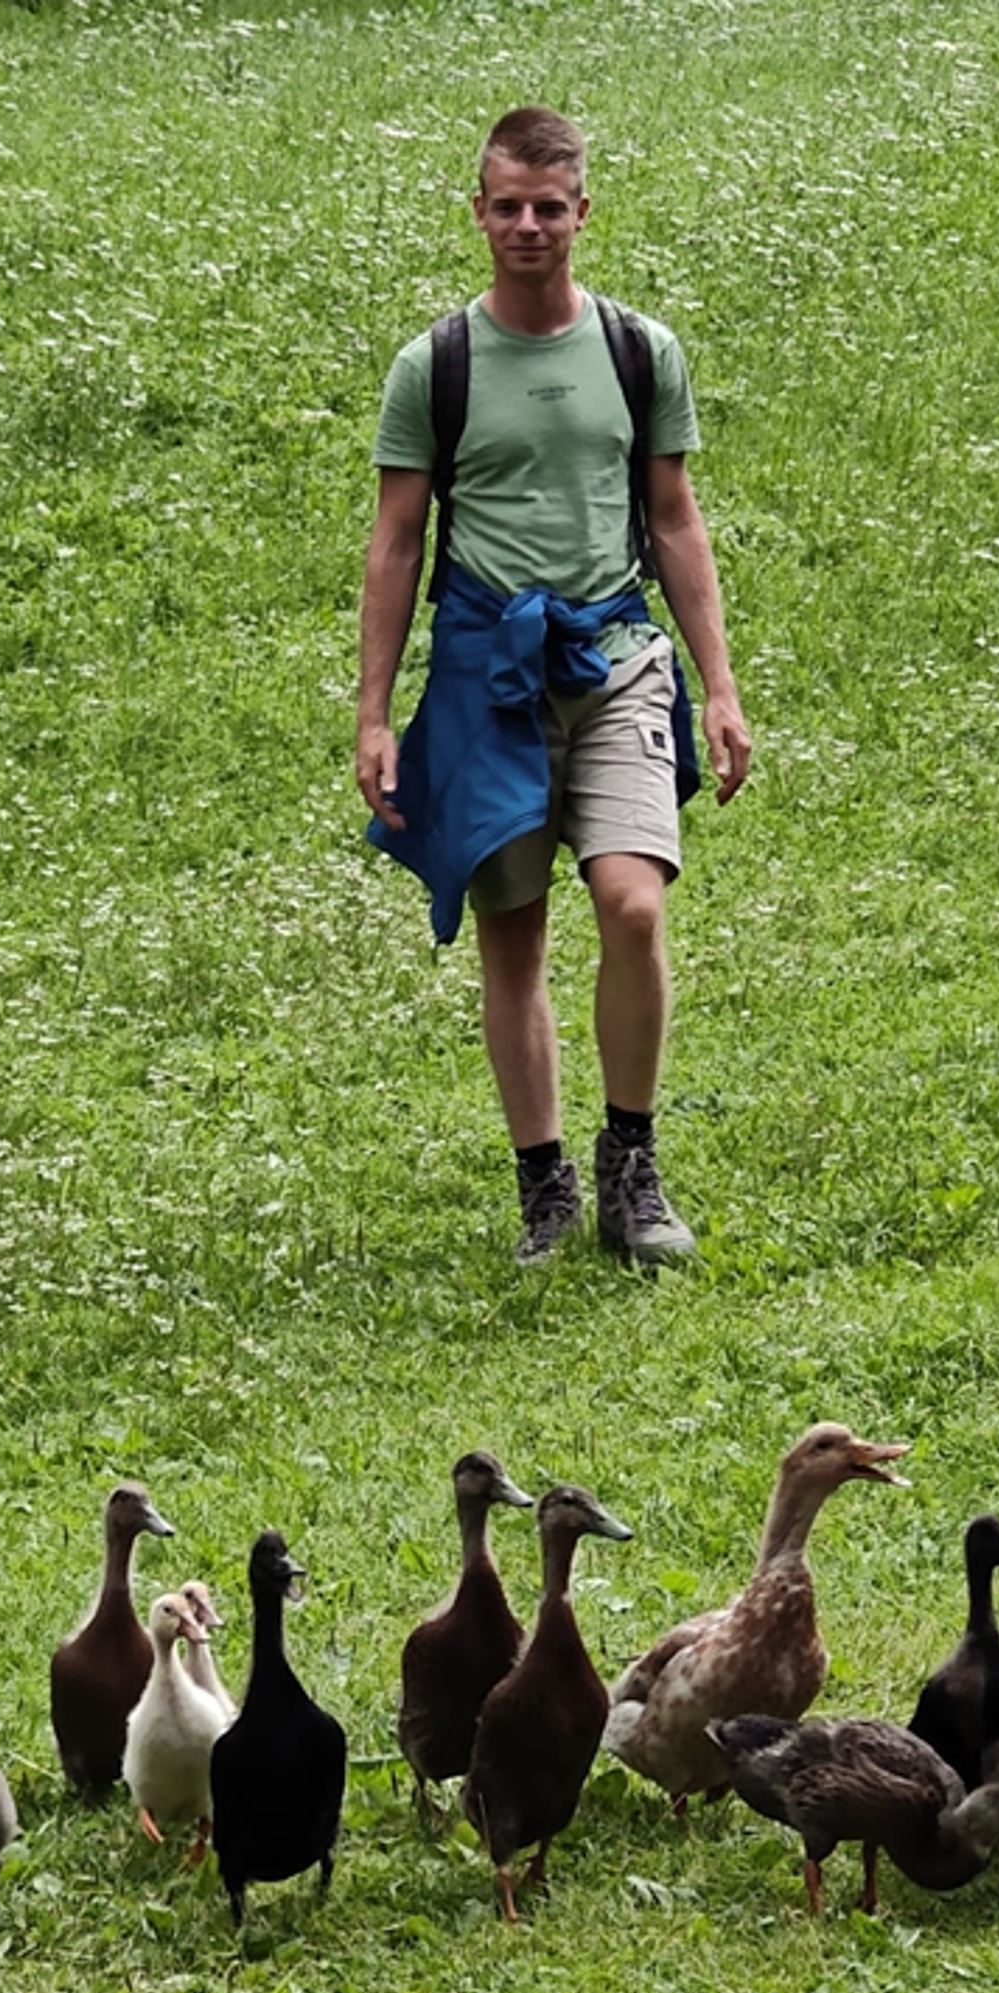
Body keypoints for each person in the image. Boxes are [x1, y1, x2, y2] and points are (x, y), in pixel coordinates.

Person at [356, 106, 750, 1267]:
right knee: (512, 936)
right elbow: (395, 543)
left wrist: (718, 686)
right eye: (508, 206)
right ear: (476, 214)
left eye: (549, 207)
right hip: (489, 671)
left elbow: (674, 519)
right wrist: (375, 714)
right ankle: (546, 1187)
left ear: (583, 213)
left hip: (617, 651)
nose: (529, 226)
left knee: (633, 902)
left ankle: (633, 1166)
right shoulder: (438, 365)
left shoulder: (639, 349)